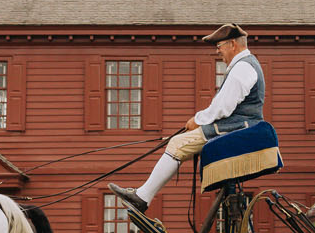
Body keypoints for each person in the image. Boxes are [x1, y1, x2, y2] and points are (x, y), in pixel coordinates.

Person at [109, 24, 265, 212]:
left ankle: (142, 197)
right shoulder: (245, 65)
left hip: (239, 128)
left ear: (232, 44)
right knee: (177, 142)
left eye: (220, 46)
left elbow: (223, 106)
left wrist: (198, 120)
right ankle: (142, 195)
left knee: (177, 144)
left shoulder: (242, 68)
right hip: (239, 126)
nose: (218, 52)